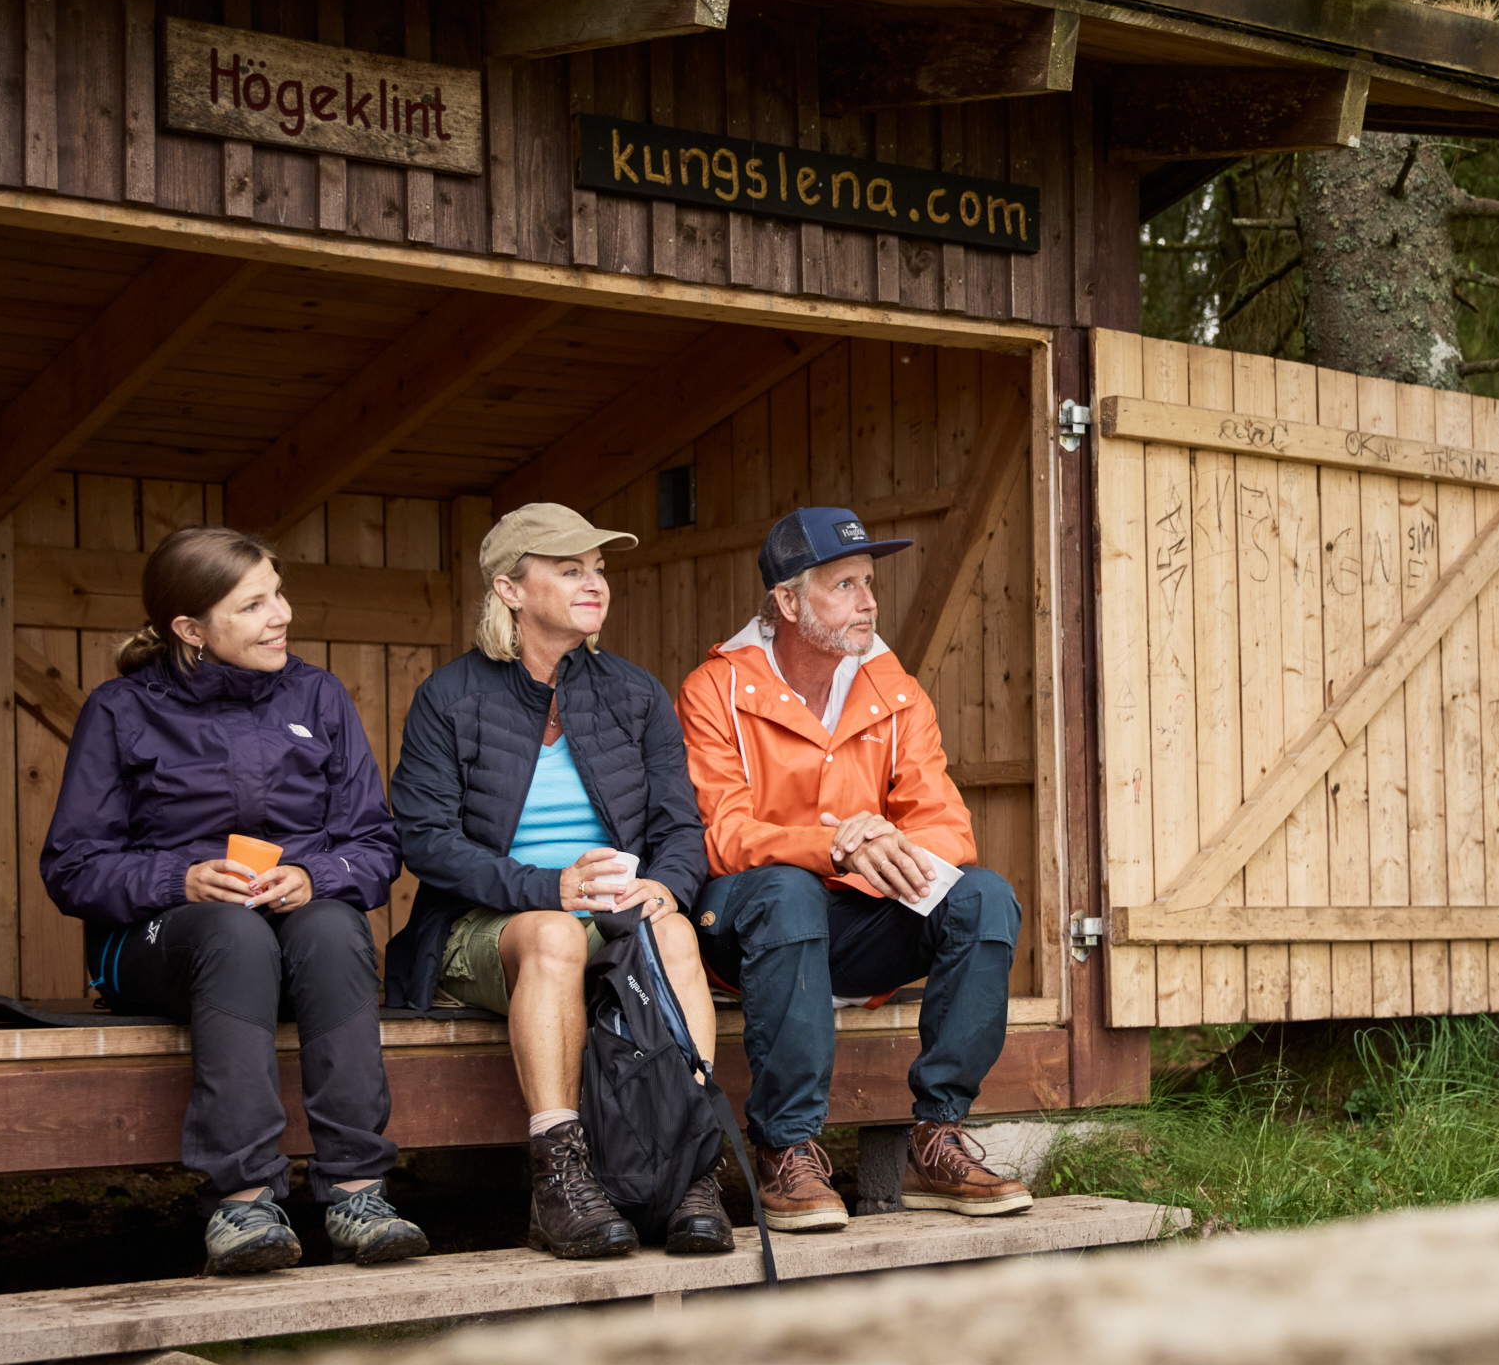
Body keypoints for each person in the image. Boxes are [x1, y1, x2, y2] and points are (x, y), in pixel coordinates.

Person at [41, 526, 423, 1276]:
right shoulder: (121, 710)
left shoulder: (317, 693)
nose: (281, 614)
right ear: (190, 628)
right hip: (150, 942)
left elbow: (375, 845)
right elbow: (73, 865)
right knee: (232, 933)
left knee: (336, 925)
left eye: (277, 593)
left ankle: (357, 1192)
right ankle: (242, 1204)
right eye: (253, 604)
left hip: (292, 940)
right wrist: (178, 879)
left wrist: (314, 875)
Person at [386, 502, 730, 1260]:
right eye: (570, 568)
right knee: (550, 937)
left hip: (610, 918)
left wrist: (666, 886)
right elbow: (426, 840)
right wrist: (549, 887)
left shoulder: (634, 693)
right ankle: (560, 1180)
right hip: (486, 926)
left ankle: (692, 1171)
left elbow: (680, 824)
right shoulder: (451, 696)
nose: (593, 582)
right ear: (511, 589)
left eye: (598, 568)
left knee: (673, 932)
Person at [677, 506, 1033, 1232]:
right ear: (787, 601)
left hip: (856, 921)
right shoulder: (715, 688)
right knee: (787, 889)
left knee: (985, 898)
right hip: (744, 931)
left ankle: (934, 1137)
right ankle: (785, 1145)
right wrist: (832, 845)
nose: (869, 600)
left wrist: (878, 850)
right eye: (845, 585)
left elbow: (946, 823)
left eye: (869, 581)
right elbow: (721, 833)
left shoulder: (893, 687)